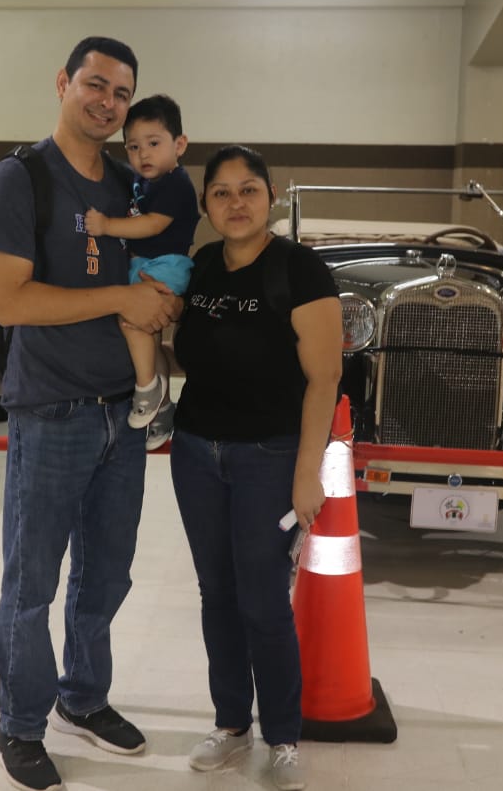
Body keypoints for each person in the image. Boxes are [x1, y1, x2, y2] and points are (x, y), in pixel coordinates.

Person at [0, 36, 180, 791]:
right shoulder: (22, 178)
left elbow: (158, 270)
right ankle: (20, 723)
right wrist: (122, 297)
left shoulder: (132, 185)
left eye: (121, 93)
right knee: (32, 584)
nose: (108, 102)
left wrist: (163, 303)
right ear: (64, 82)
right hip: (50, 411)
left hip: (121, 415)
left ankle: (84, 698)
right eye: (95, 84)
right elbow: (11, 300)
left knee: (106, 576)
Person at [169, 145, 342, 791]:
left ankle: (283, 736)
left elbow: (324, 377)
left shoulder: (300, 269)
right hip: (195, 452)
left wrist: (307, 473)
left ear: (272, 197)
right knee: (216, 593)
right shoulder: (200, 267)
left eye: (248, 189)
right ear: (206, 204)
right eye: (221, 192)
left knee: (263, 599)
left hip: (268, 456)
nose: (235, 203)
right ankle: (231, 724)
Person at [84, 94, 198, 445]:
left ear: (179, 145)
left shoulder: (175, 183)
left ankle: (147, 388)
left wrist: (106, 226)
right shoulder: (145, 181)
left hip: (166, 265)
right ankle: (162, 411)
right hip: (149, 264)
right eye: (133, 147)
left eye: (153, 143)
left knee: (132, 321)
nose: (143, 154)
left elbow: (152, 224)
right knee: (150, 338)